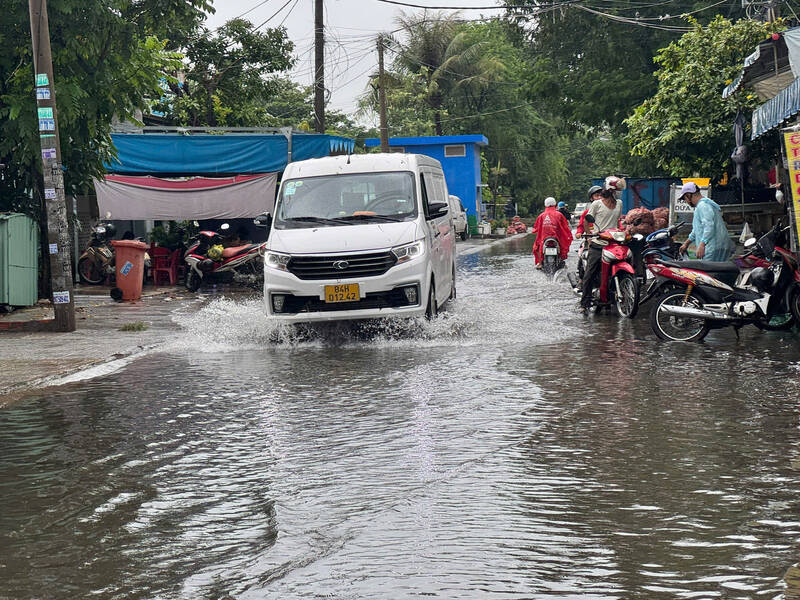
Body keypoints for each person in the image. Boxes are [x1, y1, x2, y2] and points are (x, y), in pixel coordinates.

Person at [580, 176, 625, 311]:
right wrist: (589, 238)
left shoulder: (620, 204)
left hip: (613, 243)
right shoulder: (597, 204)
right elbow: (586, 221)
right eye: (617, 191)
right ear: (611, 190)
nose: (619, 193)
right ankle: (585, 303)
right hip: (598, 243)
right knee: (590, 273)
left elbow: (618, 222)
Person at [678, 182, 734, 261]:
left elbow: (709, 226)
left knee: (707, 272)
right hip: (718, 246)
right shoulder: (703, 205)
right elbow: (697, 230)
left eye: (684, 198)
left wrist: (702, 245)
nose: (686, 201)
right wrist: (686, 243)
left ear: (688, 195)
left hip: (713, 248)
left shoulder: (703, 206)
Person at [532, 197, 572, 269]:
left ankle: (540, 263)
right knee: (564, 243)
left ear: (545, 205)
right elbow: (565, 227)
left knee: (536, 247)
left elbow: (536, 228)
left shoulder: (541, 215)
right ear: (555, 204)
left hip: (544, 238)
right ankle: (561, 260)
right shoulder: (559, 215)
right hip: (557, 238)